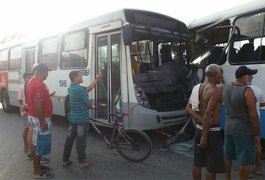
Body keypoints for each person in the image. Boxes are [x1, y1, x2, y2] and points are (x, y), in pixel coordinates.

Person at [186, 64, 225, 180]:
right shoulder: (216, 91)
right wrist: (204, 136)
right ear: (215, 75)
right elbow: (208, 113)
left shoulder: (198, 87)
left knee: (197, 164)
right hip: (211, 132)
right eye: (220, 74)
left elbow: (188, 108)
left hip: (198, 128)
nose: (222, 76)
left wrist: (201, 120)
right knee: (211, 167)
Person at [223, 65, 261, 180]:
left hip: (228, 126)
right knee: (244, 160)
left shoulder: (227, 86)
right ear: (244, 77)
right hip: (243, 129)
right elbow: (253, 116)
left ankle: (228, 178)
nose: (252, 78)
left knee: (228, 155)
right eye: (250, 76)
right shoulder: (247, 91)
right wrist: (256, 134)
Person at [62, 71, 102, 169]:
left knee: (69, 139)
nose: (82, 77)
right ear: (75, 77)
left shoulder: (71, 88)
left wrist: (97, 79)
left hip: (73, 119)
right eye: (80, 76)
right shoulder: (79, 90)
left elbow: (88, 88)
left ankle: (65, 160)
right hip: (81, 120)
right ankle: (82, 162)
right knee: (81, 141)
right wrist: (90, 104)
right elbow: (88, 104)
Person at [26, 63, 54, 179]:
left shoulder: (32, 81)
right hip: (39, 117)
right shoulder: (38, 84)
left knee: (36, 142)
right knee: (38, 144)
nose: (47, 75)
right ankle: (37, 171)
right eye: (47, 72)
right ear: (43, 72)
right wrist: (43, 122)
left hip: (34, 116)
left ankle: (38, 166)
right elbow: (38, 104)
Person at [249, 84, 265, 176]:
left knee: (246, 146)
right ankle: (258, 169)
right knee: (257, 144)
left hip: (246, 122)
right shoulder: (257, 89)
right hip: (257, 121)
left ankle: (248, 171)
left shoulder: (241, 90)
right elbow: (261, 103)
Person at [18, 72, 33, 154]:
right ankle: (26, 146)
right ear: (25, 78)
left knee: (30, 129)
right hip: (25, 112)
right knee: (27, 129)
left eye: (31, 77)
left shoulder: (30, 86)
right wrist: (25, 108)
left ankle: (30, 146)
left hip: (30, 112)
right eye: (29, 77)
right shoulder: (22, 88)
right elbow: (20, 100)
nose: (31, 79)